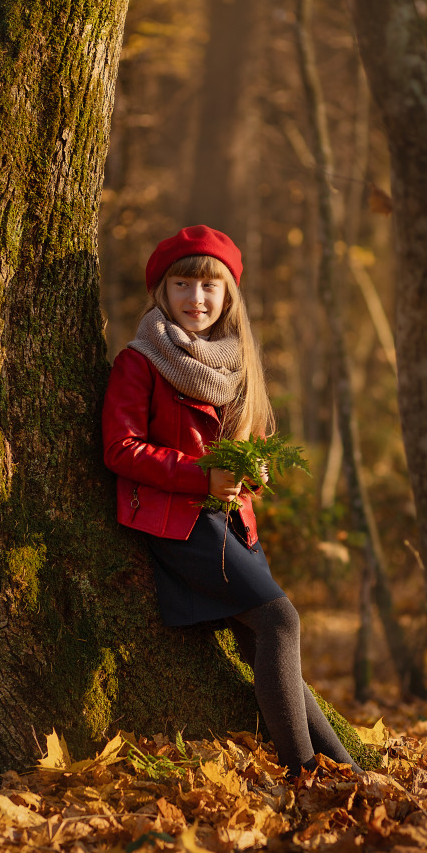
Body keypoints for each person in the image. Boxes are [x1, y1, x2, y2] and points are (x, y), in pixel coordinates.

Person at [102, 224, 362, 778]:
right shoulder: (141, 360)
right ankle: (305, 774)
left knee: (267, 645)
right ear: (161, 293)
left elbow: (253, 443)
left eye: (209, 287)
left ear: (228, 296)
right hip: (178, 523)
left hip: (233, 526)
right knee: (282, 622)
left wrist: (255, 471)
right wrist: (202, 476)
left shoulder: (237, 364)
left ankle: (346, 773)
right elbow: (120, 449)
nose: (196, 299)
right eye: (181, 285)